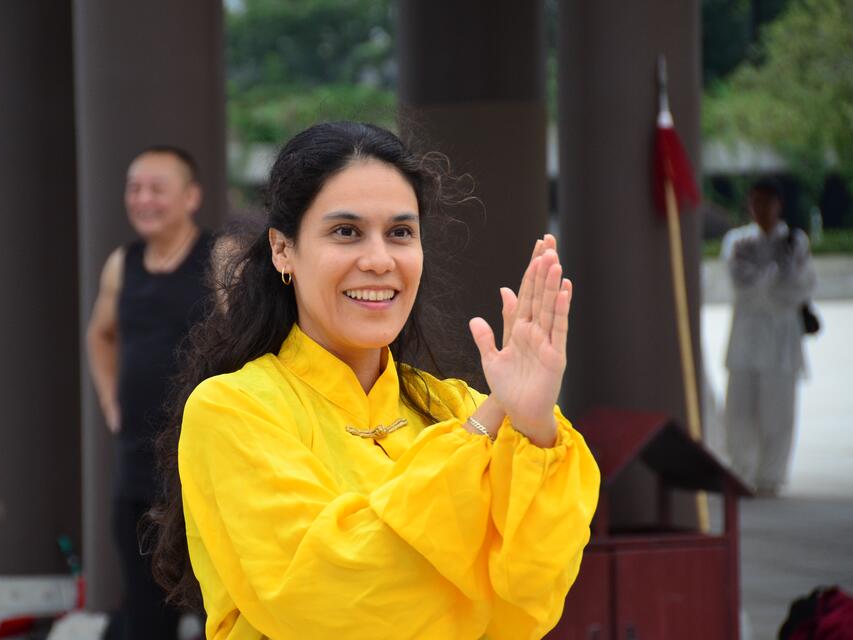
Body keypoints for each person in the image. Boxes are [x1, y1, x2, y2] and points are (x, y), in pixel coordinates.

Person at [151, 122, 600, 640]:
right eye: (346, 232)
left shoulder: (457, 405)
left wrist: (535, 425)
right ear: (282, 250)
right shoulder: (234, 409)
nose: (379, 261)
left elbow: (530, 602)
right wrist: (483, 433)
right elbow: (330, 602)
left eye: (400, 233)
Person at [86, 145, 215, 639]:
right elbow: (99, 333)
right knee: (144, 612)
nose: (143, 199)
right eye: (134, 189)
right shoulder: (123, 262)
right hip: (136, 466)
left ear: (191, 197)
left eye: (157, 189)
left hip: (201, 466)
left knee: (217, 609)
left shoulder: (216, 257)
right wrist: (108, 398)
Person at [721, 178, 816, 495]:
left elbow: (800, 287)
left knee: (778, 413)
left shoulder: (795, 240)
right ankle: (741, 472)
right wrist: (774, 280)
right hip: (746, 341)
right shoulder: (737, 241)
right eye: (755, 202)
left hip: (781, 343)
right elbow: (740, 287)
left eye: (767, 202)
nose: (761, 209)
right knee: (740, 412)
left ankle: (771, 476)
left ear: (779, 204)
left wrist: (765, 282)